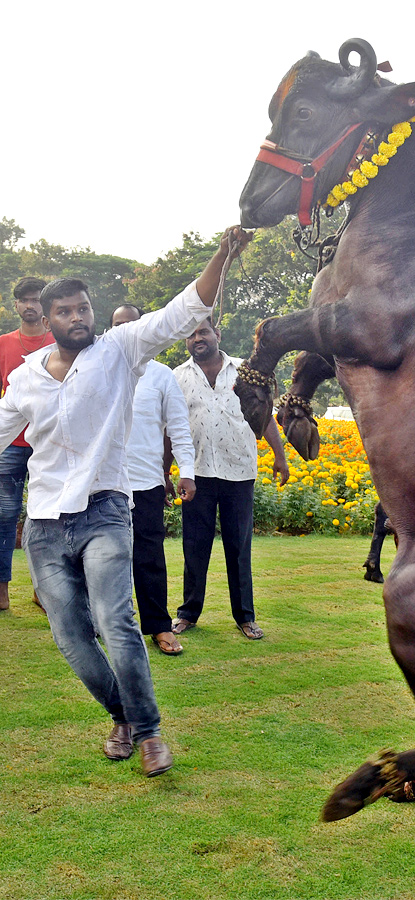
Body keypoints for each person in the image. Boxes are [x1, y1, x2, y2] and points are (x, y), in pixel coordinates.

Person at [0, 227, 250, 776]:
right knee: (70, 636)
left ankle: (151, 732)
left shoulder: (119, 350)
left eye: (83, 308)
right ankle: (125, 716)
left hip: (106, 512)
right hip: (43, 524)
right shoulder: (25, 380)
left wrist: (222, 254)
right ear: (46, 319)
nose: (78, 318)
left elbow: (182, 311)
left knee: (116, 621)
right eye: (64, 311)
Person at [172, 320, 289, 640]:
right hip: (196, 476)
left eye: (203, 332)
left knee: (239, 548)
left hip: (239, 472)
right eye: (191, 334)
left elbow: (263, 417)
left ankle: (245, 616)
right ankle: (188, 614)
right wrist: (165, 470)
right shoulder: (177, 377)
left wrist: (279, 456)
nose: (197, 338)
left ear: (217, 335)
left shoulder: (244, 371)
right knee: (194, 548)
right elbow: (171, 427)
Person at [110, 302, 196, 655]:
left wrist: (186, 472)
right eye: (118, 325)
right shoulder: (97, 367)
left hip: (144, 482)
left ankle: (159, 627)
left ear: (144, 326)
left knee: (148, 556)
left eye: (132, 324)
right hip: (103, 482)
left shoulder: (162, 375)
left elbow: (178, 426)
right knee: (103, 558)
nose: (126, 331)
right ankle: (105, 625)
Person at [0, 277, 54, 611]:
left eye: (36, 300)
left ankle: (43, 590)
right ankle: (2, 591)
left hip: (48, 442)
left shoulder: (57, 341)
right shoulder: (3, 344)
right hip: (10, 444)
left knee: (46, 516)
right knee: (4, 516)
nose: (30, 305)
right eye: (25, 300)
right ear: (16, 304)